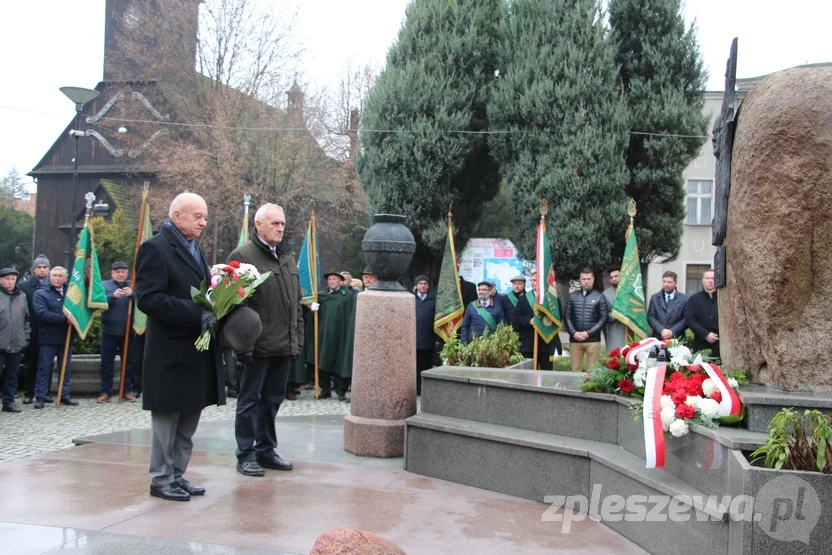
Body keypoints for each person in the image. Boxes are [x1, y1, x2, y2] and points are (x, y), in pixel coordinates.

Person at [135, 192, 225, 502]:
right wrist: (196, 312)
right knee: (166, 420)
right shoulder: (155, 248)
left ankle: (177, 475)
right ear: (177, 216)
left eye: (205, 216)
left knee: (189, 416)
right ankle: (161, 479)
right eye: (198, 216)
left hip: (195, 350)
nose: (204, 222)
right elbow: (147, 298)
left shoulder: (194, 248)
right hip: (170, 352)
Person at [228, 203, 301, 477]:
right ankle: (245, 454)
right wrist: (242, 345)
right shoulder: (243, 255)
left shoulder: (286, 256)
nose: (280, 228)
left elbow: (295, 301)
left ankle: (266, 450)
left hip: (283, 345)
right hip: (256, 347)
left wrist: (297, 341)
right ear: (258, 225)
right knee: (249, 401)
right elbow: (233, 306)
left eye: (282, 223)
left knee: (272, 400)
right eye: (274, 223)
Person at [33, 267, 78, 408]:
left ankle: (64, 395)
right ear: (50, 277)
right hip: (48, 337)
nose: (57, 278)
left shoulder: (72, 294)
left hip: (66, 336)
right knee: (44, 368)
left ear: (65, 278)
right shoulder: (41, 293)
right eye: (54, 276)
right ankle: (41, 396)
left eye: (60, 276)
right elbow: (42, 313)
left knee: (65, 368)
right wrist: (65, 319)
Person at [98, 261, 136, 403]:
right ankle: (105, 391)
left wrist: (133, 294)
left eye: (123, 272)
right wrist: (113, 296)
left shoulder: (133, 285)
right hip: (109, 330)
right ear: (112, 273)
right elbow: (99, 303)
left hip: (128, 331)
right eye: (117, 272)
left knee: (128, 363)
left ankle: (126, 390)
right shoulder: (104, 285)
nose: (120, 274)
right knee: (107, 363)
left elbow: (142, 301)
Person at [315, 270, 356, 401]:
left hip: (341, 334)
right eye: (330, 280)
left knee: (340, 361)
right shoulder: (322, 295)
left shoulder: (347, 296)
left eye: (334, 279)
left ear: (340, 281)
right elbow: (315, 317)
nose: (332, 282)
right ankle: (325, 389)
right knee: (323, 360)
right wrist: (313, 310)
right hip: (325, 334)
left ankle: (341, 390)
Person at [19, 254, 49, 404]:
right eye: (39, 267)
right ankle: (29, 393)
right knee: (30, 363)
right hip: (31, 330)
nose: (42, 270)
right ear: (34, 269)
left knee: (46, 363)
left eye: (45, 267)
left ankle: (45, 392)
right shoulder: (23, 287)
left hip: (48, 331)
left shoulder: (54, 285)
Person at [565, 268, 608, 372]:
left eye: (589, 279)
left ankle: (590, 389)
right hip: (575, 340)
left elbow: (603, 318)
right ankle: (574, 388)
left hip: (593, 341)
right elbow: (567, 317)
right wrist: (574, 333)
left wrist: (588, 333)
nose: (586, 281)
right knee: (575, 370)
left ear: (593, 279)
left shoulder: (600, 297)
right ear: (580, 279)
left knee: (592, 372)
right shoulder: (572, 297)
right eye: (584, 279)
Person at [0, 268, 29, 413]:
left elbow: (26, 319)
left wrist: (25, 338)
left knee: (12, 375)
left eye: (13, 279)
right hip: (1, 343)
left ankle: (9, 401)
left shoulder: (21, 296)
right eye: (7, 279)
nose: (10, 282)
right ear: (1, 280)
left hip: (16, 343)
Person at [530, 271, 562, 369]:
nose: (532, 283)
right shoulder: (525, 298)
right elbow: (518, 317)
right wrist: (528, 320)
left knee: (547, 372)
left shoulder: (552, 299)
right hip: (531, 342)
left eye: (535, 280)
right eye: (531, 280)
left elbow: (559, 315)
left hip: (547, 341)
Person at [685, 269, 720, 358]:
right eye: (707, 278)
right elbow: (690, 319)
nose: (710, 280)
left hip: (721, 343)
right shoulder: (694, 299)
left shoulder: (723, 297)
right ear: (703, 280)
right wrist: (705, 335)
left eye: (713, 278)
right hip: (701, 343)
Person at [501, 275, 535, 360]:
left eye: (519, 284)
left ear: (524, 285)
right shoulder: (505, 299)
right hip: (511, 331)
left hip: (526, 333)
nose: (516, 286)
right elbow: (502, 315)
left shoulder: (530, 297)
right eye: (514, 284)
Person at [647, 271, 688, 340]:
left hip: (677, 339)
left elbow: (686, 319)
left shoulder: (685, 299)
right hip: (658, 338)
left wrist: (672, 331)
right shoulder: (655, 298)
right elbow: (651, 317)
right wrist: (661, 330)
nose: (666, 284)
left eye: (669, 282)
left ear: (675, 283)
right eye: (664, 281)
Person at [413, 275, 436, 395]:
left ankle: (425, 390)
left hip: (428, 339)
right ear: (416, 285)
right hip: (413, 340)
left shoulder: (433, 300)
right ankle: (415, 389)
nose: (422, 285)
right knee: (414, 366)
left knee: (426, 366)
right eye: (420, 283)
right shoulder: (411, 299)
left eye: (425, 283)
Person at [602, 267, 626, 352]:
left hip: (631, 330)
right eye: (611, 277)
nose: (614, 279)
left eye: (616, 276)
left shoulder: (631, 293)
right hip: (614, 331)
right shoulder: (605, 294)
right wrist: (617, 314)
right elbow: (603, 316)